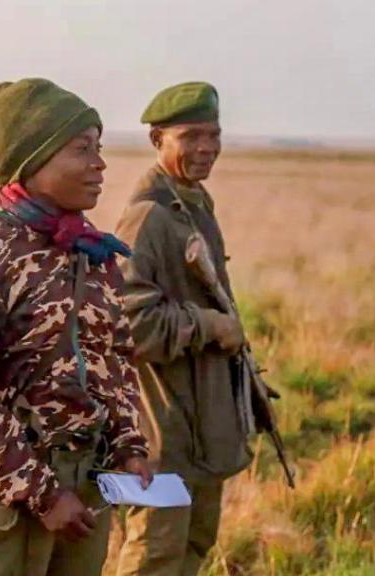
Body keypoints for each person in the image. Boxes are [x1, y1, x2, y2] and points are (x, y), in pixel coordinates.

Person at [0, 78, 152, 576]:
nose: (100, 164)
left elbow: (116, 361)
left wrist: (129, 446)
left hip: (87, 486)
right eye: (81, 149)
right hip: (5, 500)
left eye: (100, 147)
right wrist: (42, 495)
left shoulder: (92, 254)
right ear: (32, 161)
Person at [111, 81, 252, 576]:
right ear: (157, 140)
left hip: (200, 425)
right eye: (191, 136)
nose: (206, 148)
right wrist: (209, 325)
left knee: (192, 546)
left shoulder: (192, 202)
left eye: (213, 135)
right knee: (154, 554)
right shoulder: (148, 214)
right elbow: (126, 324)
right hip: (158, 430)